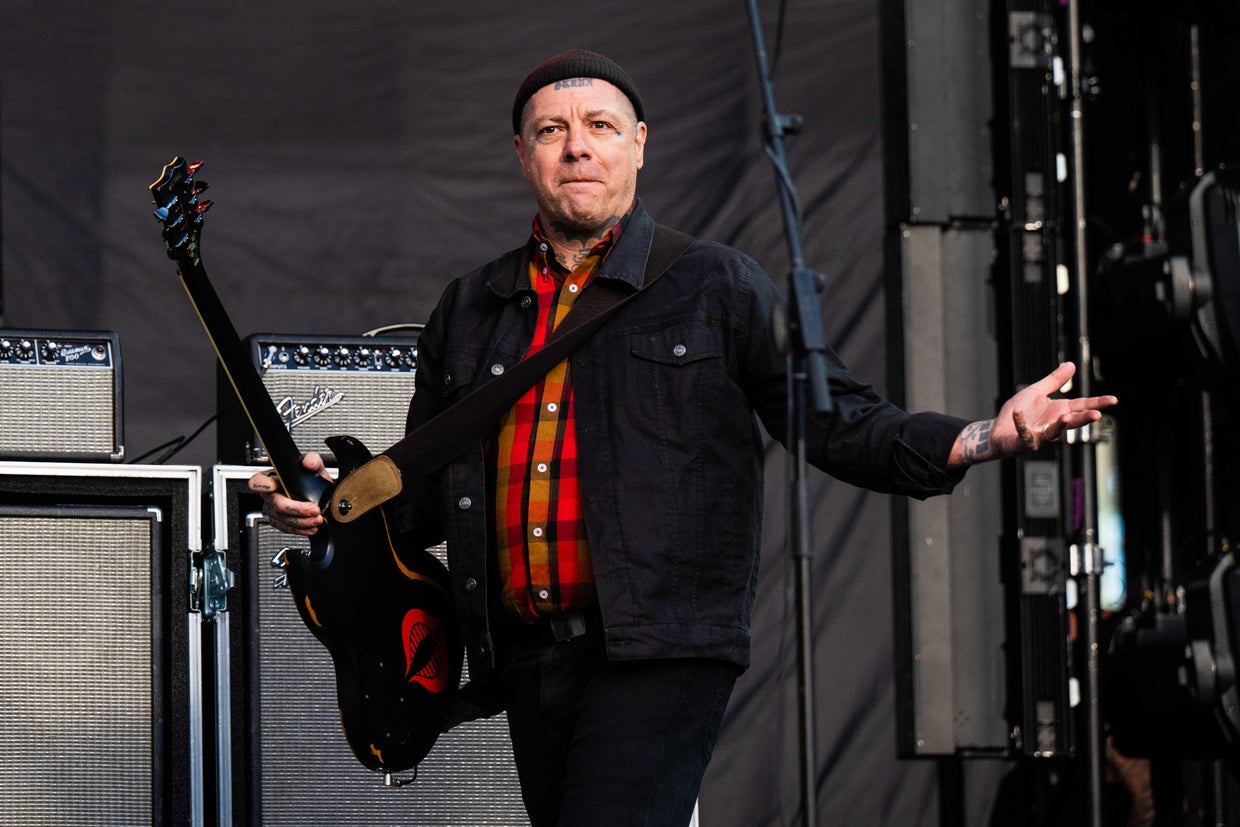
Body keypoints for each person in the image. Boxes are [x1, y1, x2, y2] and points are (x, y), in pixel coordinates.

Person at [249, 49, 1117, 827]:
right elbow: (434, 495)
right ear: (522, 156)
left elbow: (837, 420)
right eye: (551, 131)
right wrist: (336, 510)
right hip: (522, 660)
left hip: (661, 650)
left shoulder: (716, 286)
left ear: (639, 145)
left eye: (599, 127)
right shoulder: (469, 307)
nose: (576, 147)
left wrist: (982, 436)